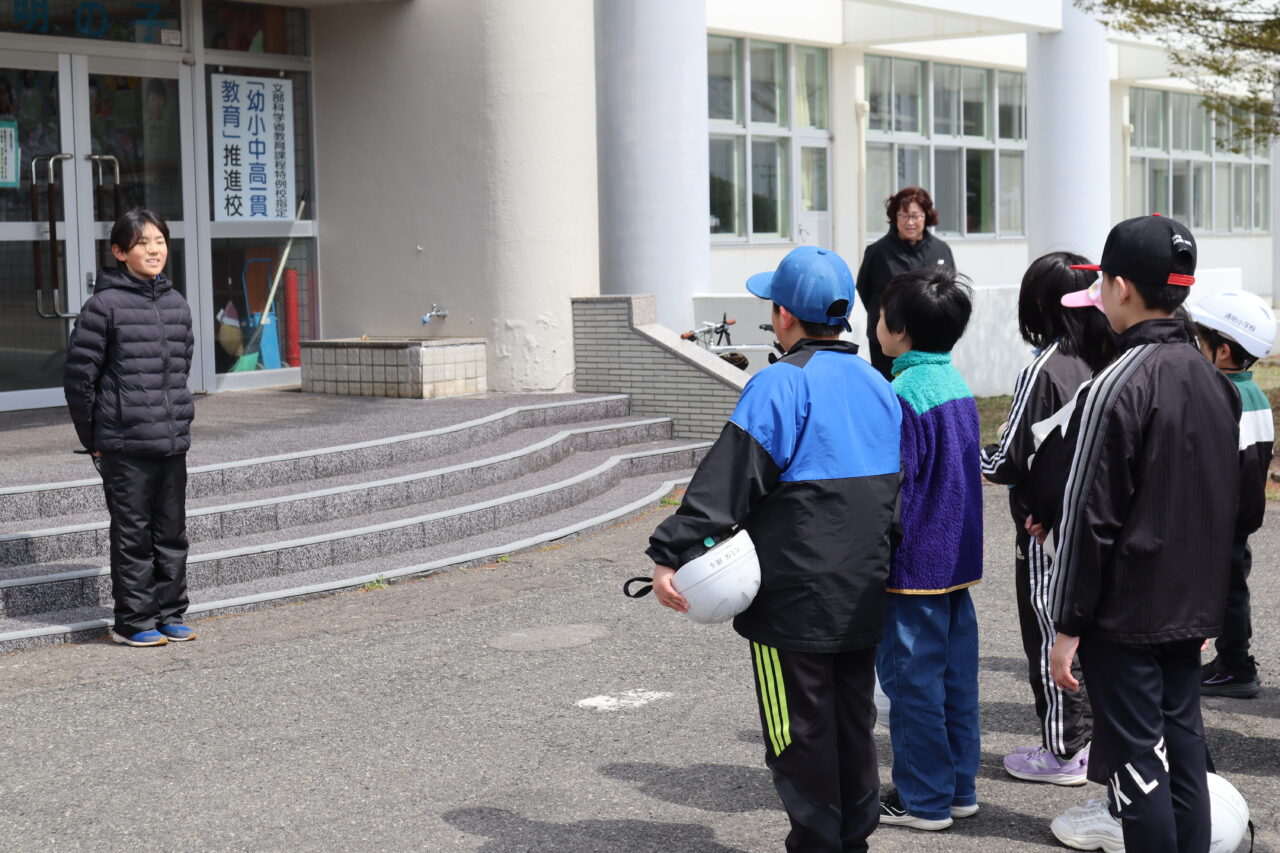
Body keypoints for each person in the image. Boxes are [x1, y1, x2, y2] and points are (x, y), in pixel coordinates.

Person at [646, 245, 902, 853]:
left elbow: (727, 483)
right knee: (853, 723)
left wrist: (669, 553)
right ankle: (853, 842)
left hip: (793, 598)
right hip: (864, 589)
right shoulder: (878, 384)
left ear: (784, 315)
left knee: (796, 734)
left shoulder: (780, 383)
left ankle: (817, 844)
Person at [1039, 215, 1240, 853]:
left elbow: (1087, 519)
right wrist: (1210, 606)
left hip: (1125, 615)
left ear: (1121, 287)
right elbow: (1225, 507)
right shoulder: (1214, 381)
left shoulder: (1116, 385)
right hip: (1189, 609)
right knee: (1184, 756)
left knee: (1136, 771)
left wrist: (1066, 626)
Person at [980, 253, 1098, 786]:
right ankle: (1093, 743)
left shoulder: (1044, 367)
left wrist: (972, 454)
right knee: (1091, 634)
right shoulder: (1107, 354)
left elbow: (1009, 460)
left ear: (1039, 305)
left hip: (1045, 528)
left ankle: (1063, 750)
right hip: (1100, 520)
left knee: (1051, 631)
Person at [873, 266, 983, 832]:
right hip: (958, 561)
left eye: (882, 316)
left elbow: (891, 486)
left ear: (900, 330)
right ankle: (959, 788)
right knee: (956, 681)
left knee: (911, 683)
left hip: (914, 563)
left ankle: (923, 799)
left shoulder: (900, 394)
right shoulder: (956, 384)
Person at [63, 209, 197, 648]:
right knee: (132, 536)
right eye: (143, 243)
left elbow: (180, 370)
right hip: (124, 444)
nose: (154, 250)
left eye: (160, 241)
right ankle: (133, 622)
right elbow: (79, 380)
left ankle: (170, 613)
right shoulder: (103, 307)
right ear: (120, 252)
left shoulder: (177, 304)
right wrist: (93, 441)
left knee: (171, 534)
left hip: (171, 441)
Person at [1189, 290, 1276, 699]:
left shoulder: (1221, 394)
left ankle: (1236, 667)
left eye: (1199, 340)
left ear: (1222, 351)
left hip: (1220, 517)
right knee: (1233, 588)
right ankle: (1232, 661)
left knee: (1225, 592)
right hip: (1242, 513)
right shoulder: (1254, 392)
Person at [856, 186, 955, 380]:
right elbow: (864, 291)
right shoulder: (878, 252)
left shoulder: (941, 250)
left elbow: (949, 292)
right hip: (888, 344)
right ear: (895, 217)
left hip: (930, 343)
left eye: (915, 216)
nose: (910, 222)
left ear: (926, 216)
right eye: (904, 215)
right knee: (890, 392)